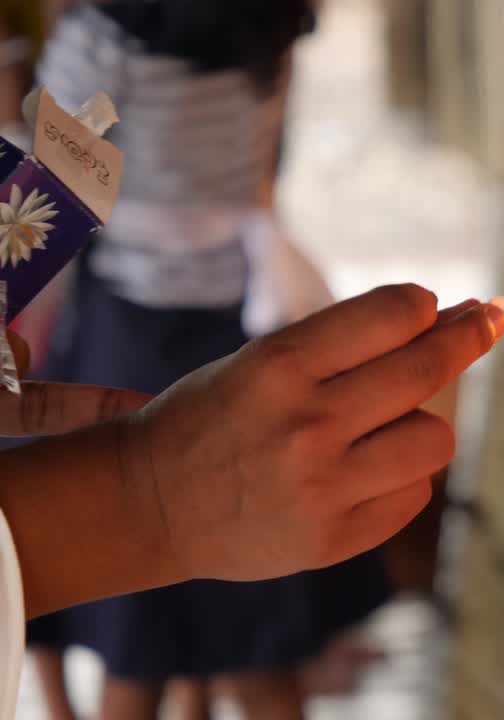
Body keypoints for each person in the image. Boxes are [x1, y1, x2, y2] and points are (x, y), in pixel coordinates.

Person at [15, 1, 407, 717]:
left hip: (128, 332)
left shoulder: (103, 42)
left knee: (137, 623)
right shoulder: (270, 29)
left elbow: (47, 202)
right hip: (238, 319)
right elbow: (264, 174)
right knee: (255, 622)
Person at [0, 287, 504, 719]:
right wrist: (152, 501)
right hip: (129, 338)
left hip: (192, 338)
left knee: (216, 651)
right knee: (153, 658)